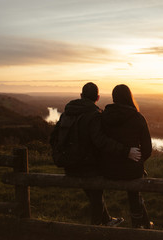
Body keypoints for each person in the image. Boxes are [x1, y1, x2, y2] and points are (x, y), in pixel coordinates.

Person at [50, 82, 141, 226]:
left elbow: (53, 138)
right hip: (88, 167)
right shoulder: (95, 115)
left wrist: (61, 156)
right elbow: (101, 141)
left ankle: (107, 221)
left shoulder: (67, 113)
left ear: (81, 95)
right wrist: (126, 151)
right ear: (97, 98)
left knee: (93, 195)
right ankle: (95, 229)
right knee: (97, 197)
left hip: (69, 165)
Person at [100, 84, 153, 229]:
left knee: (134, 184)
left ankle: (145, 224)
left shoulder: (103, 116)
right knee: (134, 192)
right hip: (131, 170)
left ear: (114, 98)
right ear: (129, 97)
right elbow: (147, 149)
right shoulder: (137, 117)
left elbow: (101, 142)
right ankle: (137, 225)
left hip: (108, 169)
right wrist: (138, 160)